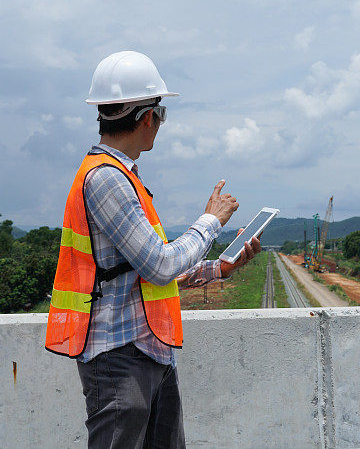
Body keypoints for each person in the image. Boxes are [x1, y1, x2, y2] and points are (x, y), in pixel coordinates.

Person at [45, 50, 262, 448]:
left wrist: (218, 269)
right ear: (148, 118)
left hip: (148, 352)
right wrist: (211, 220)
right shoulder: (106, 179)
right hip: (118, 358)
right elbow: (161, 265)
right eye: (161, 116)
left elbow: (146, 268)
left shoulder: (123, 177)